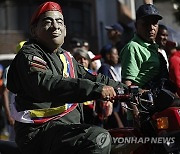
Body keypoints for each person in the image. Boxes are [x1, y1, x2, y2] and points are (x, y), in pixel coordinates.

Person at [7, 2, 127, 154]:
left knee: (124, 139)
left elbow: (92, 77)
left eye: (59, 22)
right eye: (47, 21)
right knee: (98, 138)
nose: (55, 26)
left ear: (65, 30)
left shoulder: (66, 57)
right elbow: (46, 82)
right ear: (33, 30)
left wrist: (127, 89)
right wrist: (98, 90)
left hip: (64, 130)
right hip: (39, 133)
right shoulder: (30, 54)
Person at [120, 4, 169, 126]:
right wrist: (136, 113)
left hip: (157, 110)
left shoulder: (153, 47)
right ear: (136, 26)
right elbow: (127, 84)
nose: (151, 28)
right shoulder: (133, 48)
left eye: (155, 24)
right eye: (146, 24)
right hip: (143, 114)